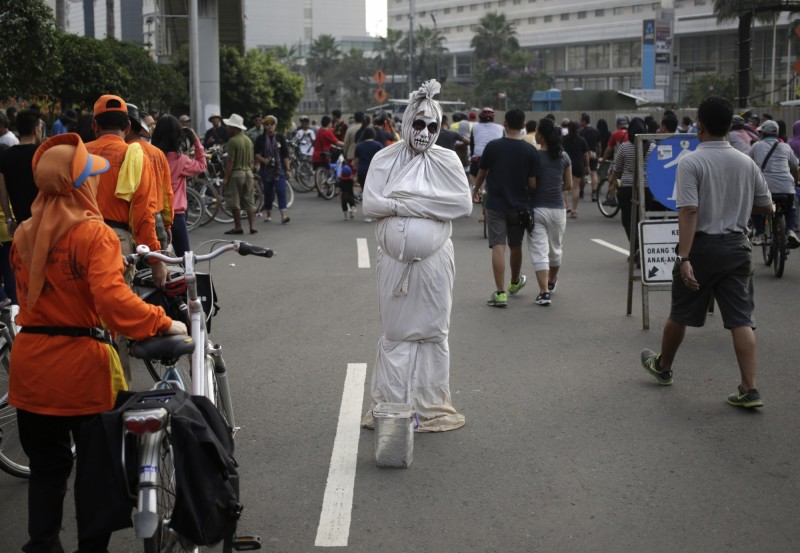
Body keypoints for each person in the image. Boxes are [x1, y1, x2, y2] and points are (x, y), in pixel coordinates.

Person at [8, 132, 187, 553]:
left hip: (30, 366)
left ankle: (42, 544)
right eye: (89, 177)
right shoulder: (95, 235)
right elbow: (115, 305)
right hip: (80, 371)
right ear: (77, 184)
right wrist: (162, 322)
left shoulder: (23, 234)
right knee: (96, 474)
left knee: (47, 468)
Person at [640, 96, 773, 408]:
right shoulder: (746, 161)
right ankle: (749, 389)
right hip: (739, 247)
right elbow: (766, 204)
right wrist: (737, 205)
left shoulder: (692, 161)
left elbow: (688, 212)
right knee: (741, 318)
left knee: (681, 313)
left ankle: (664, 368)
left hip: (701, 248)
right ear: (730, 126)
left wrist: (684, 257)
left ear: (699, 125)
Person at [361, 79, 472, 432]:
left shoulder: (447, 160)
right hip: (394, 264)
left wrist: (402, 203)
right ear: (408, 122)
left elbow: (460, 204)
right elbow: (369, 204)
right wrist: (414, 205)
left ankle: (431, 407)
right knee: (396, 334)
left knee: (434, 334)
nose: (425, 132)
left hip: (435, 262)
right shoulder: (384, 158)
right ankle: (392, 405)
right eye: (420, 124)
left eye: (433, 126)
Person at [86, 95, 166, 288]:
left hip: (78, 241)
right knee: (113, 311)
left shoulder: (77, 154)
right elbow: (144, 214)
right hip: (116, 245)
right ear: (128, 127)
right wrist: (156, 260)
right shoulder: (135, 157)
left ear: (95, 126)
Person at [471, 108, 538, 307]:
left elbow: (482, 173)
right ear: (524, 126)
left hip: (495, 204)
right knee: (515, 245)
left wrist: (475, 189)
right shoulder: (530, 150)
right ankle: (515, 282)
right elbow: (533, 184)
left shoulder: (493, 147)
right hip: (519, 205)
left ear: (505, 125)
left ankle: (500, 294)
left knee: (498, 246)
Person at [529, 117, 571, 306]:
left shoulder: (535, 157)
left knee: (540, 251)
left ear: (542, 136)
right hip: (558, 210)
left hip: (538, 209)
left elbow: (532, 185)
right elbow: (568, 184)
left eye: (537, 131)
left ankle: (544, 292)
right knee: (555, 251)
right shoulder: (564, 156)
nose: (535, 135)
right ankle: (552, 281)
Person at [151, 114, 207, 257]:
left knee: (155, 258)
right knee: (185, 258)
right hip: (175, 215)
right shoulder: (180, 159)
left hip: (153, 214)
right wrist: (196, 141)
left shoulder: (150, 156)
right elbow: (201, 165)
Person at [126, 104, 173, 251]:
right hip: (156, 219)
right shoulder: (157, 153)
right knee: (159, 267)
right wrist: (167, 223)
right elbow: (167, 192)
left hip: (126, 221)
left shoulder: (124, 153)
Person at [749, 120, 800, 248]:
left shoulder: (756, 146)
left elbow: (748, 165)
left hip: (765, 188)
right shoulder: (786, 147)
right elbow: (795, 168)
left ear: (762, 134)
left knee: (755, 207)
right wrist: (795, 182)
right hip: (786, 187)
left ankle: (759, 233)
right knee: (791, 207)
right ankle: (790, 231)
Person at [607, 117, 656, 250]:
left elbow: (616, 169)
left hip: (628, 188)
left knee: (628, 221)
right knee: (644, 220)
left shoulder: (624, 147)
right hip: (647, 189)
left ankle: (635, 247)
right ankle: (643, 249)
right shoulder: (653, 147)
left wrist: (611, 182)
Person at [0, 109, 43, 232]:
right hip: (42, 221)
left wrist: (9, 219)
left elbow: (3, 191)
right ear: (36, 130)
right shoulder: (42, 153)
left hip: (21, 224)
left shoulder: (5, 156)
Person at [221, 113, 257, 234]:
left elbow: (230, 161)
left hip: (237, 173)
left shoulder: (232, 141)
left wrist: (225, 179)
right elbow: (251, 160)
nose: (228, 128)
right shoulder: (248, 140)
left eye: (229, 126)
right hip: (248, 173)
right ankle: (252, 226)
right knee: (249, 201)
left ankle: (238, 227)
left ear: (235, 128)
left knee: (234, 201)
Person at [254, 114, 292, 224]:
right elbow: (255, 154)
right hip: (266, 170)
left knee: (281, 190)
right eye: (267, 124)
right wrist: (264, 160)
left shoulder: (280, 138)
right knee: (268, 192)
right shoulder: (260, 139)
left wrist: (288, 169)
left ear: (275, 125)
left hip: (279, 170)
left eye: (272, 124)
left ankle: (284, 216)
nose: (269, 126)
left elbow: (285, 155)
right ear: (264, 126)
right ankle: (269, 215)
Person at [563, 121, 589, 217]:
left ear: (568, 129)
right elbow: (586, 155)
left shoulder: (563, 139)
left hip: (566, 164)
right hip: (578, 165)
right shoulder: (581, 140)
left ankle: (566, 205)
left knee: (565, 186)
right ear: (578, 129)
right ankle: (574, 210)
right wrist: (587, 166)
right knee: (576, 187)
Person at [578, 113, 601, 201]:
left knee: (583, 174)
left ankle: (581, 192)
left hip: (583, 155)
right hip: (593, 154)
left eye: (581, 120)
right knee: (593, 173)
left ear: (584, 121)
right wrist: (598, 155)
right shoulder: (596, 131)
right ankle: (594, 193)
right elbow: (599, 145)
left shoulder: (581, 132)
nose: (580, 122)